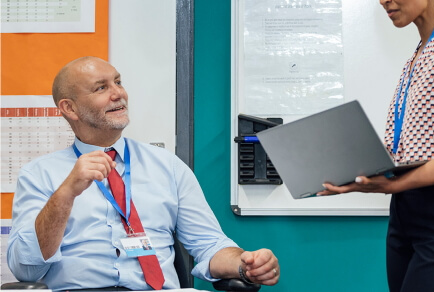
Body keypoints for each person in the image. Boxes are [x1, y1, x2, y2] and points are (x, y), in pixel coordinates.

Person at [7, 56, 280, 291]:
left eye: (118, 82)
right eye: (101, 87)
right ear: (70, 108)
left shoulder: (167, 166)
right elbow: (25, 268)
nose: (118, 93)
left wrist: (245, 265)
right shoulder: (39, 174)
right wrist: (66, 193)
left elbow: (209, 244)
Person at [320, 0, 434, 291]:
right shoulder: (419, 54)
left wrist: (394, 185)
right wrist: (358, 169)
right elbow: (421, 145)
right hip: (409, 213)